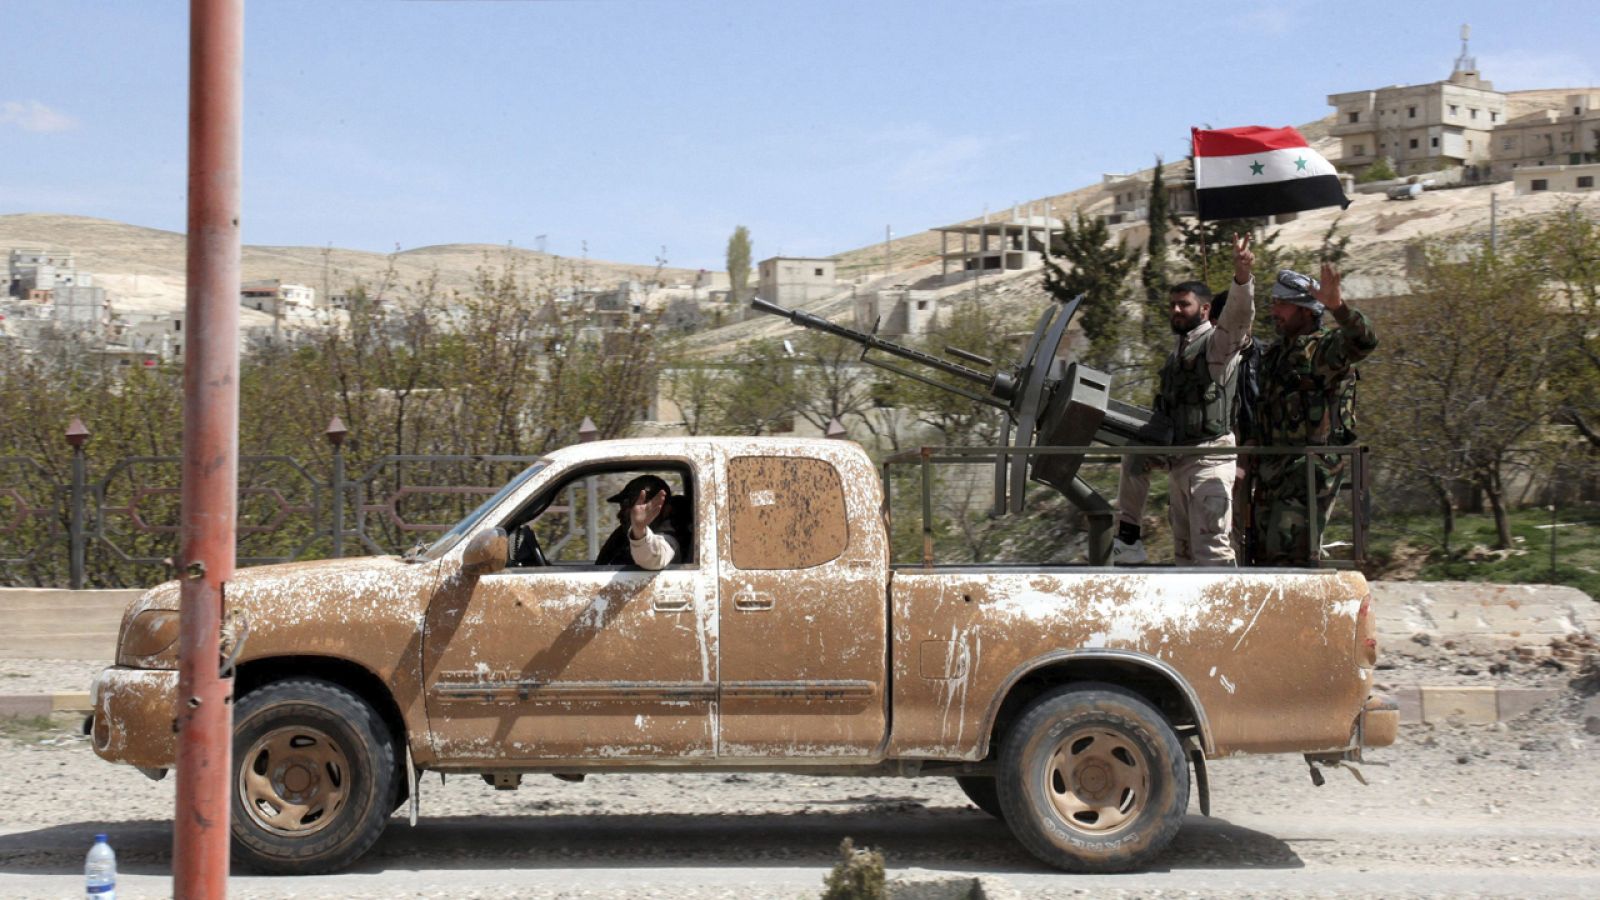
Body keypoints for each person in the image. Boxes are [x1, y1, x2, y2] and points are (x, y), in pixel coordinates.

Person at [1113, 233, 1255, 566]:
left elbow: (1238, 317)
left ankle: (1227, 616)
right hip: (1179, 461)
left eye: (1184, 305)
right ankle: (1129, 537)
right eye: (1173, 305)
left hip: (1209, 460)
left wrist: (1242, 277)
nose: (1176, 311)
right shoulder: (1177, 353)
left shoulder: (1216, 346)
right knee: (1185, 555)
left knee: (1212, 552)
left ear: (1205, 309)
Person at [1250, 264, 1378, 565]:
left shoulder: (1324, 349)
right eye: (1274, 303)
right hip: (1271, 471)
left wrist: (1338, 307)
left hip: (1308, 470)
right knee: (1263, 557)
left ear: (1306, 311)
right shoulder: (1275, 354)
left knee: (1290, 557)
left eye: (1283, 304)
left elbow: (1365, 342)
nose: (1275, 311)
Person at [594, 474, 685, 570]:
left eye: (629, 505)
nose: (619, 514)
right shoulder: (621, 535)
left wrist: (639, 530)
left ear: (664, 510)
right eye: (623, 506)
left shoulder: (669, 541)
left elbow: (655, 557)